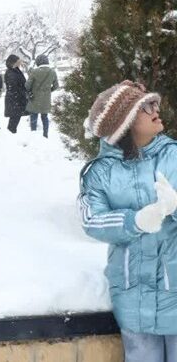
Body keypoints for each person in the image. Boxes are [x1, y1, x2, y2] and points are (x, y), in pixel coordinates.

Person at [80, 80, 177, 362]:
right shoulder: (99, 173)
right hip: (131, 295)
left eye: (153, 103)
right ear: (124, 123)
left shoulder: (174, 155)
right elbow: (91, 219)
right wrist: (135, 221)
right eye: (144, 106)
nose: (155, 108)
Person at [25, 54, 59, 138]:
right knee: (44, 117)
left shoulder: (35, 72)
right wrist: (48, 91)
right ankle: (45, 135)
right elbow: (56, 86)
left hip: (35, 98)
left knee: (34, 115)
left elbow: (27, 86)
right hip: (46, 99)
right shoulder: (52, 72)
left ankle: (33, 134)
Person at [3, 55, 28, 134]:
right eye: (18, 61)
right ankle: (11, 132)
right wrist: (22, 92)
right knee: (15, 116)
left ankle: (12, 132)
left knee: (16, 115)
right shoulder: (11, 72)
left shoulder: (16, 70)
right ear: (14, 62)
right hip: (14, 97)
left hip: (17, 97)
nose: (20, 62)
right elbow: (13, 86)